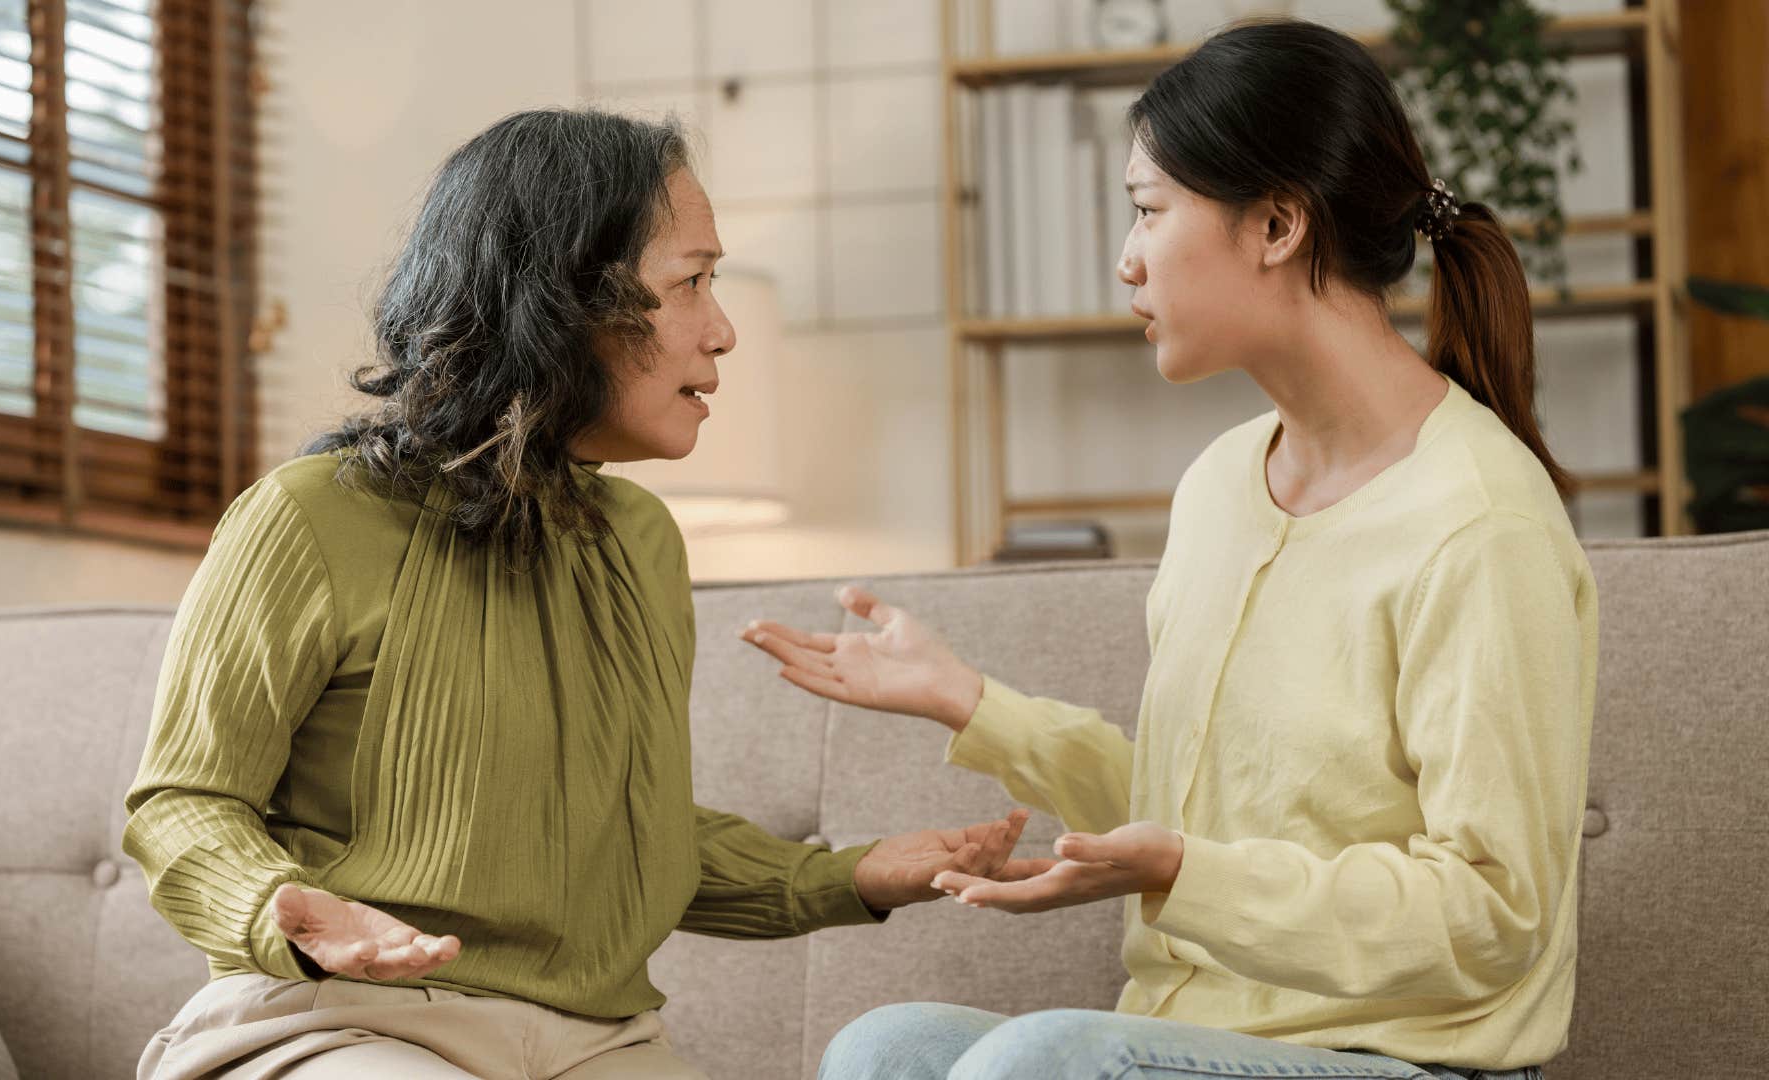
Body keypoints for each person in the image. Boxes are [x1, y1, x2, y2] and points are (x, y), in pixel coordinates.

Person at [742, 18, 1593, 1080]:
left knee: (1039, 1060)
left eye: (1149, 212)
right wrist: (968, 701)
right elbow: (1184, 816)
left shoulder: (1476, 521)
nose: (1126, 259)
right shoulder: (1221, 488)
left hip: (1405, 1059)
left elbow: (1493, 912)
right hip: (1201, 1037)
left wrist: (1190, 874)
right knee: (886, 1049)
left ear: (1278, 223)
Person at [124, 108, 1040, 1080]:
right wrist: (276, 905)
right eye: (690, 281)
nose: (721, 330)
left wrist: (849, 875)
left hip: (598, 1044)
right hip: (342, 1023)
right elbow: (183, 801)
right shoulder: (310, 519)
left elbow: (628, 836)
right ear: (562, 299)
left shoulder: (640, 543)